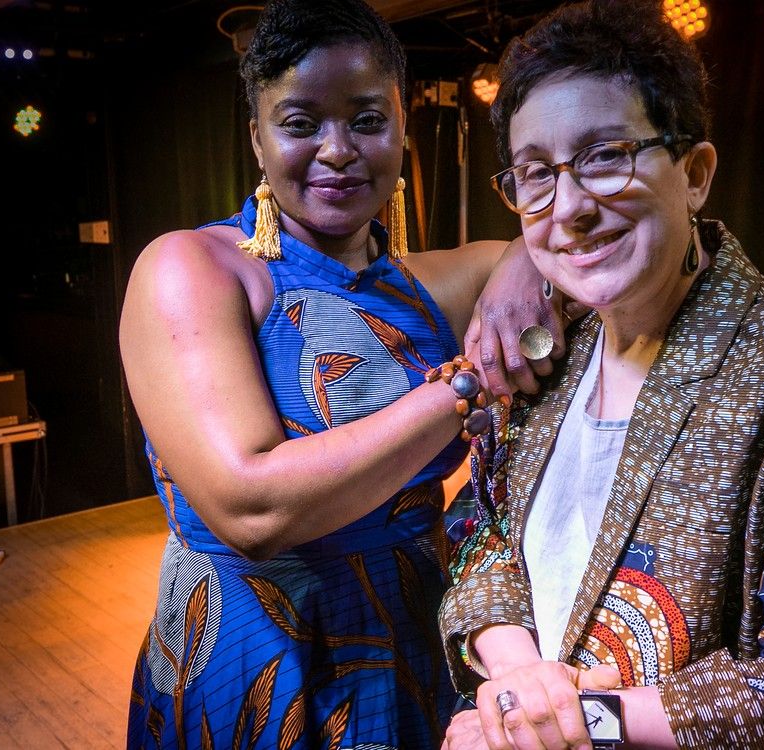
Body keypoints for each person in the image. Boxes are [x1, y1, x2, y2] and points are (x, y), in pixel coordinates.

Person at [438, 1, 764, 748]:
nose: (567, 207)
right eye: (536, 173)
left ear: (695, 174)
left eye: (606, 156)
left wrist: (569, 724)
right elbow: (482, 534)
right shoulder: (546, 360)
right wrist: (519, 678)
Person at [118, 1, 567, 747]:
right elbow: (252, 509)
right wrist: (462, 389)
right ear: (259, 140)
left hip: (410, 642)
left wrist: (525, 258)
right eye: (300, 124)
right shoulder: (195, 268)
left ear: (402, 131)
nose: (337, 150)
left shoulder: (426, 284)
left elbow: (539, 248)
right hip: (259, 655)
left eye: (365, 120)